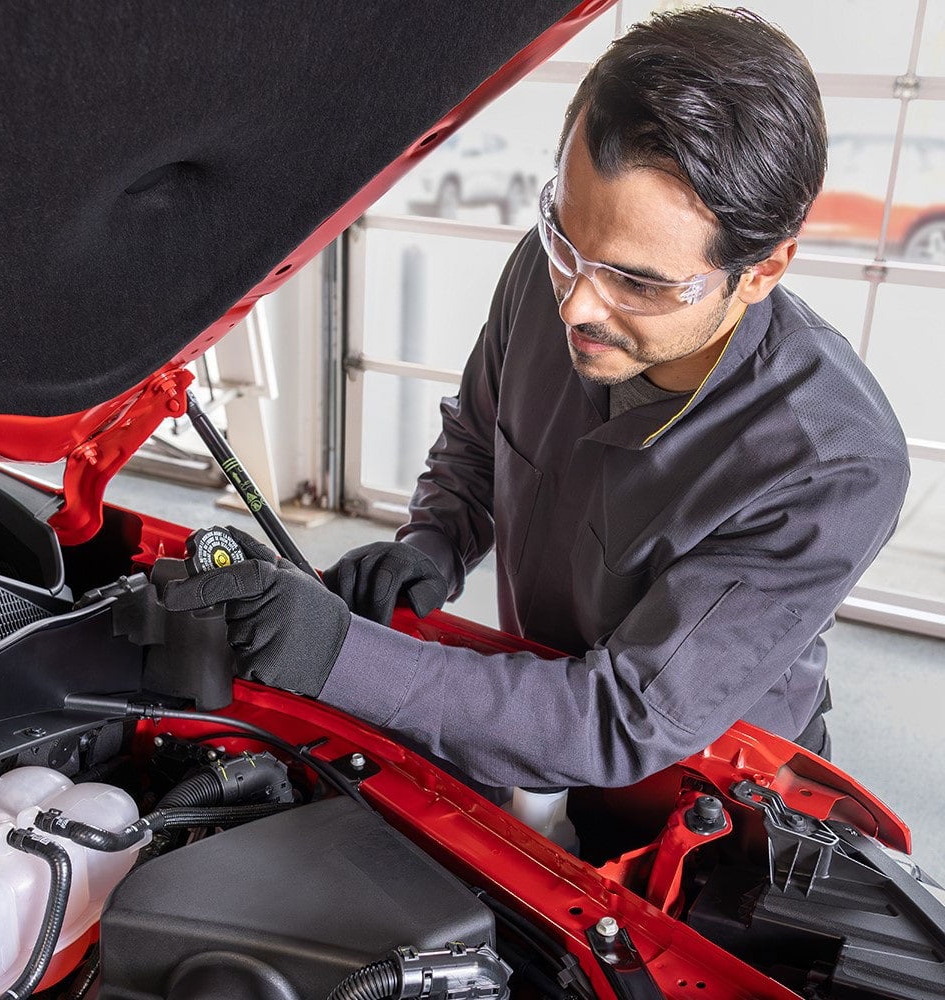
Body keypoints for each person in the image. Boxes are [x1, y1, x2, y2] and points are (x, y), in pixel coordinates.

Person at [163, 7, 909, 791]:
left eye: (639, 282)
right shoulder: (548, 271)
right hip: (542, 713)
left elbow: (624, 718)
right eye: (565, 235)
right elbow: (481, 444)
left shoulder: (834, 465)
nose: (578, 306)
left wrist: (338, 654)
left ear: (762, 270)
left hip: (710, 795)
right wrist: (429, 546)